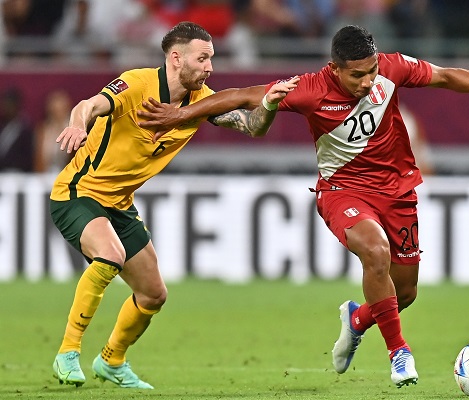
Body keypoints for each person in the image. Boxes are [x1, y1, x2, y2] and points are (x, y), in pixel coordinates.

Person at [137, 25, 469, 388]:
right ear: (335, 69)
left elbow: (443, 75)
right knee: (375, 251)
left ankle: (357, 319)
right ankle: (399, 352)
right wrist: (181, 113)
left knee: (404, 293)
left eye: (371, 72)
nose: (368, 82)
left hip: (397, 192)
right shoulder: (308, 90)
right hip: (343, 191)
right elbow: (240, 95)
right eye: (357, 75)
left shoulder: (391, 68)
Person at [50, 21, 298, 389]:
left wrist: (269, 104)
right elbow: (89, 105)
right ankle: (67, 352)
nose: (210, 67)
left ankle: (112, 361)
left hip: (120, 205)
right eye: (203, 59)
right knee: (110, 255)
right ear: (176, 58)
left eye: (211, 59)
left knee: (153, 294)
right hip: (78, 192)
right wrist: (77, 125)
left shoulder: (200, 101)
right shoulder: (137, 84)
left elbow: (252, 127)